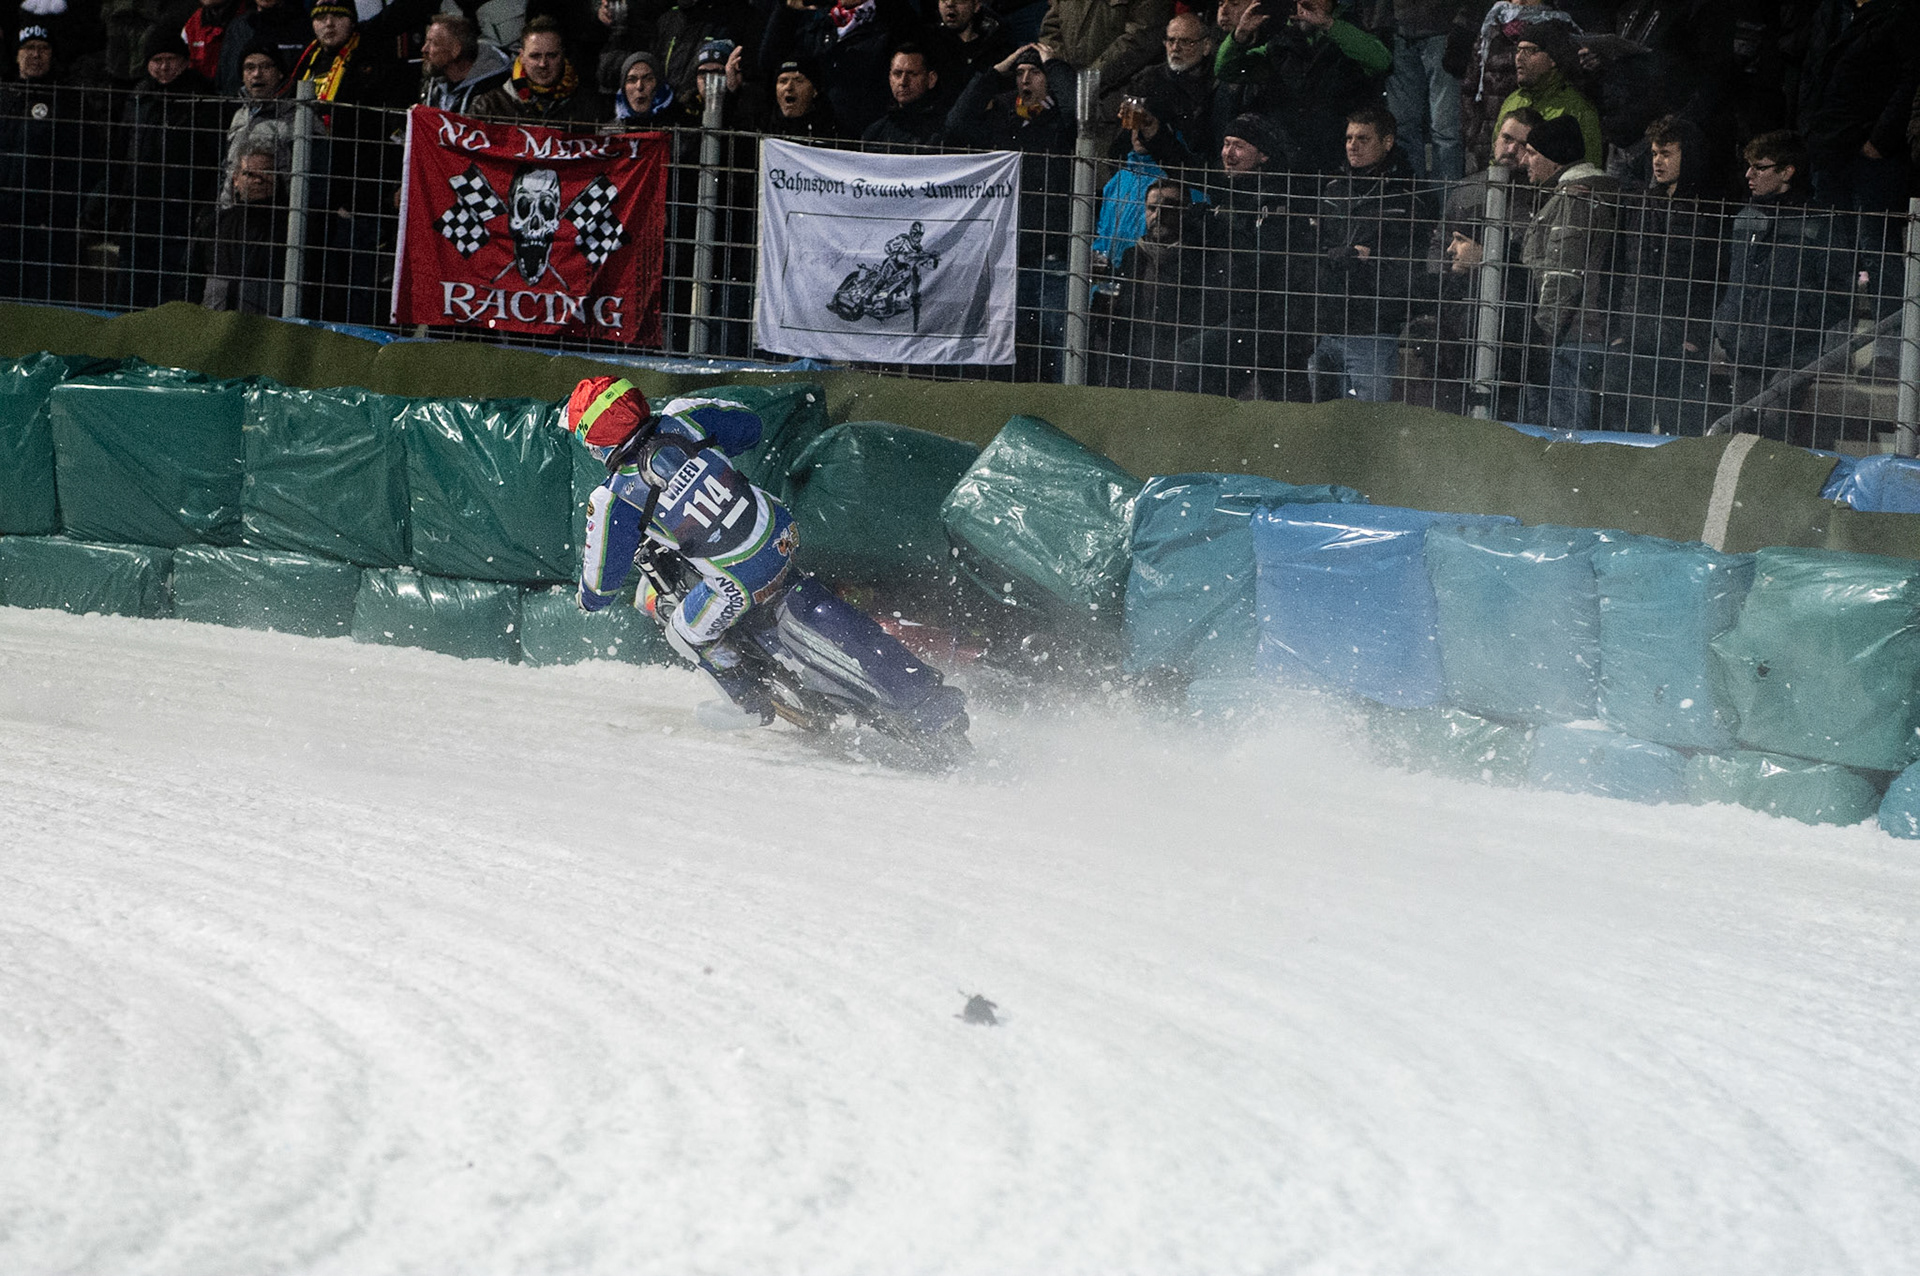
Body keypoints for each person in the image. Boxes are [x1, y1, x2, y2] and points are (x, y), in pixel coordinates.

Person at [567, 377, 799, 726]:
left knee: (684, 633)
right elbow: (751, 427)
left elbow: (600, 588)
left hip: (739, 582)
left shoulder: (613, 497)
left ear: (596, 441)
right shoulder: (683, 416)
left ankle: (749, 704)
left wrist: (586, 599)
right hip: (785, 529)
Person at [1710, 128, 1855, 441]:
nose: (1749, 174)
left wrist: (1804, 331)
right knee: (1740, 431)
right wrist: (1727, 326)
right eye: (1749, 166)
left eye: (1759, 167)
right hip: (1745, 347)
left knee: (1775, 427)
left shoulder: (1818, 222)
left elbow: (1840, 290)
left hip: (1793, 351)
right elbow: (1729, 279)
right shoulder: (1745, 216)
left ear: (1787, 171)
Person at [945, 41, 1078, 381]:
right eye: (1020, 73)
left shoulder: (1060, 124)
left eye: (1035, 72)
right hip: (1006, 256)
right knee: (1005, 345)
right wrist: (996, 69)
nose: (1025, 80)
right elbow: (957, 122)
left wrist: (1057, 65)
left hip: (1051, 256)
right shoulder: (1003, 118)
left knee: (1056, 344)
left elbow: (1079, 112)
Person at [1600, 114, 1723, 434]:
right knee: (1622, 432)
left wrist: (1695, 337)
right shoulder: (1638, 205)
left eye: (1667, 153)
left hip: (1680, 344)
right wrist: (1615, 332)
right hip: (1632, 339)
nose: (1657, 161)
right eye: (1654, 153)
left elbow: (1715, 282)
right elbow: (1614, 269)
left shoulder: (1708, 211)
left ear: (1689, 156)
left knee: (1680, 434)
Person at [1174, 112, 1310, 398]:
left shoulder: (1275, 200)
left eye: (1239, 146)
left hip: (1273, 318)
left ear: (1263, 156)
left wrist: (1218, 231)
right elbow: (1187, 166)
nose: (1228, 154)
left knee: (1192, 358)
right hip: (1242, 315)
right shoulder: (1233, 190)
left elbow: (1263, 267)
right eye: (1225, 143)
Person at [1308, 104, 1434, 403]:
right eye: (1349, 138)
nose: (1353, 145)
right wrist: (1345, 255)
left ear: (1387, 142)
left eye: (1363, 138)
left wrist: (1362, 258)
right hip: (1326, 323)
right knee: (1321, 420)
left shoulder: (1407, 195)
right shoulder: (1332, 188)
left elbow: (1405, 262)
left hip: (1372, 328)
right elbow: (1314, 247)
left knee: (1368, 419)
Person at [1515, 111, 1619, 431]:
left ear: (1555, 159)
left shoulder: (1575, 197)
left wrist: (1543, 331)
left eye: (1532, 153)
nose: (1524, 161)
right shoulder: (1578, 193)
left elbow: (1563, 272)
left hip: (1570, 335)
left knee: (1562, 429)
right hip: (1576, 330)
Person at [1213, 0, 1392, 173]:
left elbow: (1380, 61)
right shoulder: (1282, 42)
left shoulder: (1353, 27)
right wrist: (1240, 35)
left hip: (1340, 159)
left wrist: (1329, 24)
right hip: (1289, 160)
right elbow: (1227, 70)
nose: (1304, 3)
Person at [1492, 18, 1600, 168]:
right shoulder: (1513, 100)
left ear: (1553, 59)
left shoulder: (1578, 108)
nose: (1519, 57)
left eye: (1530, 51)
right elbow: (1495, 155)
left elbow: (1587, 168)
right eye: (1518, 50)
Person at [196, 145, 286, 313]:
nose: (258, 180)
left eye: (267, 173)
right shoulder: (214, 224)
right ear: (235, 179)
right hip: (214, 323)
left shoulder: (289, 229)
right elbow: (191, 276)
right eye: (250, 174)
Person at [469, 15, 601, 127]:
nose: (543, 64)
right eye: (535, 56)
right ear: (522, 56)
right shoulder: (489, 106)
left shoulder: (589, 105)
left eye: (551, 55)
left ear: (563, 56)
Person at [419, 13, 511, 114]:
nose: (424, 49)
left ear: (456, 50)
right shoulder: (432, 86)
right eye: (426, 42)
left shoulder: (495, 94)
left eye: (433, 43)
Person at [862, 43, 946, 147]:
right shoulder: (875, 132)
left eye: (912, 74)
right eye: (897, 74)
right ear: (890, 78)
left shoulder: (944, 131)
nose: (903, 82)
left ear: (931, 79)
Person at [924, 0, 1014, 88]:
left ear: (976, 6)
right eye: (943, 0)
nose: (950, 4)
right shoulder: (928, 42)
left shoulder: (996, 42)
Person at [760, 56, 839, 138]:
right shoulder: (763, 127)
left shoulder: (833, 128)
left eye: (798, 81)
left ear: (815, 90)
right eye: (783, 81)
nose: (789, 87)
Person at [606, 48, 672, 126]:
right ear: (623, 87)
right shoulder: (610, 134)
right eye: (631, 80)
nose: (639, 86)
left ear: (658, 84)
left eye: (648, 79)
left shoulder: (681, 128)